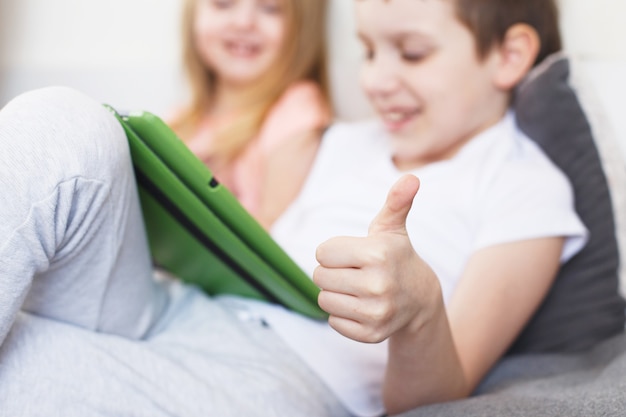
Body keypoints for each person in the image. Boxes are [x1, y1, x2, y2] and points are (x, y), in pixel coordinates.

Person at [0, 0, 619, 416]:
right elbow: (254, 237)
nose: (375, 80)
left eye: (410, 52)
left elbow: (439, 398)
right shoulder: (345, 139)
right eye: (368, 50)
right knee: (65, 123)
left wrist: (419, 311)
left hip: (278, 381)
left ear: (508, 56)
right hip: (183, 308)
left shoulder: (526, 189)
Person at [167, 0, 332, 228]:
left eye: (270, 8)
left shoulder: (296, 109)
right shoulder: (178, 120)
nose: (244, 23)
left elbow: (270, 236)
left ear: (302, 29)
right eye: (223, 4)